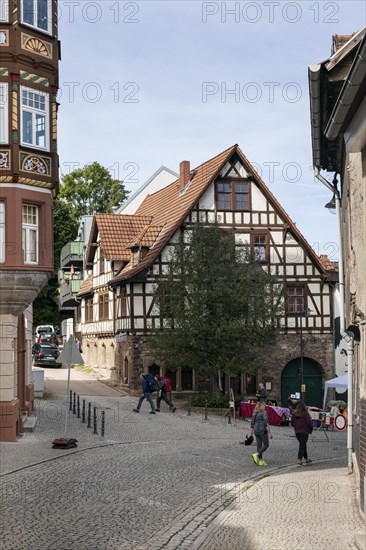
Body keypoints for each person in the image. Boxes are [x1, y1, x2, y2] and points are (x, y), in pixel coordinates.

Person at [248, 401, 272, 466]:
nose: (265, 407)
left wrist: (250, 433)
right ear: (262, 406)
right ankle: (256, 454)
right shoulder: (264, 413)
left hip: (256, 431)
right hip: (262, 431)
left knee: (259, 445)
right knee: (266, 445)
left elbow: (252, 423)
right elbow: (266, 423)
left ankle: (260, 460)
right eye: (264, 406)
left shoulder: (255, 412)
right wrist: (270, 433)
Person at [291, 400, 313, 466]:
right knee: (302, 445)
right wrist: (311, 429)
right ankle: (299, 459)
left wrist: (296, 426)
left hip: (297, 432)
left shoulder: (294, 414)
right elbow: (309, 423)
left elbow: (292, 423)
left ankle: (306, 459)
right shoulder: (306, 414)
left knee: (303, 445)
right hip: (305, 432)